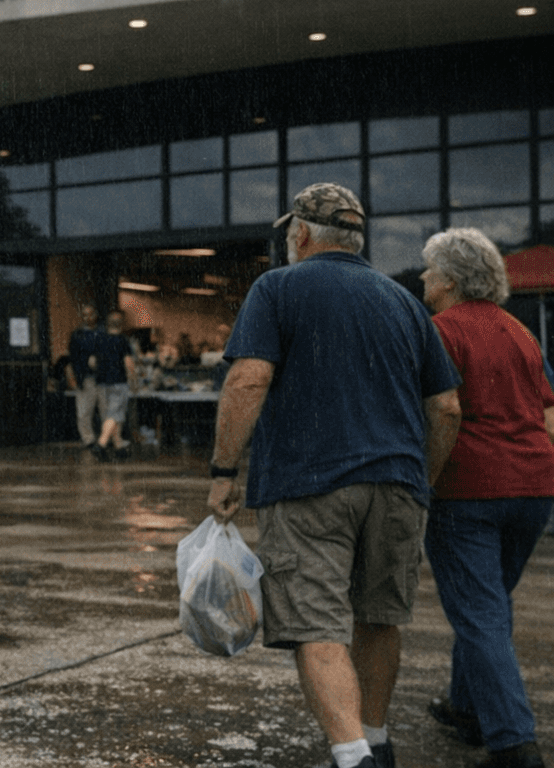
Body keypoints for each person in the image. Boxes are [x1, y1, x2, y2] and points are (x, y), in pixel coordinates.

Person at [206, 182, 462, 768]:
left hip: (308, 486)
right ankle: (375, 740)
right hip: (398, 484)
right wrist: (420, 479)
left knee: (317, 623)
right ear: (356, 237)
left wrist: (224, 471)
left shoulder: (277, 287)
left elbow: (247, 380)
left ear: (299, 234)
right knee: (378, 618)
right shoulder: (404, 302)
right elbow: (447, 407)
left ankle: (351, 758)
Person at [417, 228, 554, 768]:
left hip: (468, 488)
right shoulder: (520, 331)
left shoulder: (440, 331)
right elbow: (547, 411)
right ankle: (467, 708)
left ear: (450, 279)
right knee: (486, 604)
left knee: (479, 611)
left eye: (429, 269)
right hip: (535, 487)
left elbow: (443, 410)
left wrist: (426, 480)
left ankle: (513, 743)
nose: (423, 278)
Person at [89, 310, 137, 460]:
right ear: (121, 325)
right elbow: (128, 363)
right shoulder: (123, 341)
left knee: (114, 416)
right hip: (118, 382)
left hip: (102, 383)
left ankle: (119, 447)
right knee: (115, 414)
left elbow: (91, 362)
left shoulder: (99, 339)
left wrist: (102, 369)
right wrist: (133, 381)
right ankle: (101, 444)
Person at [65, 303, 105, 445]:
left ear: (96, 315)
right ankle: (88, 439)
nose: (88, 318)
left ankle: (105, 438)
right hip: (84, 377)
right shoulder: (77, 335)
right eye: (85, 315)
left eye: (90, 314)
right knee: (84, 411)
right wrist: (73, 377)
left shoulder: (103, 333)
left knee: (105, 410)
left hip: (102, 377)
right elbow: (73, 358)